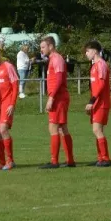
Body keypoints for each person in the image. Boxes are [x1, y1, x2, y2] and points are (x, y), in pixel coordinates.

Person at [39, 36, 75, 169]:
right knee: (61, 128)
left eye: (43, 47)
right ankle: (70, 160)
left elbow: (59, 80)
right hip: (58, 97)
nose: (41, 50)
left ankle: (54, 161)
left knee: (54, 127)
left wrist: (51, 97)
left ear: (51, 46)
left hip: (59, 98)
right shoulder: (52, 59)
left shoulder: (57, 59)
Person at [84, 41, 111, 167]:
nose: (86, 54)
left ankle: (105, 158)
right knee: (97, 130)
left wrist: (92, 101)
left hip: (101, 103)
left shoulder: (101, 65)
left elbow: (100, 85)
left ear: (94, 51)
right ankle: (100, 157)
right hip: (97, 103)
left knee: (96, 130)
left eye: (88, 51)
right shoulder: (95, 65)